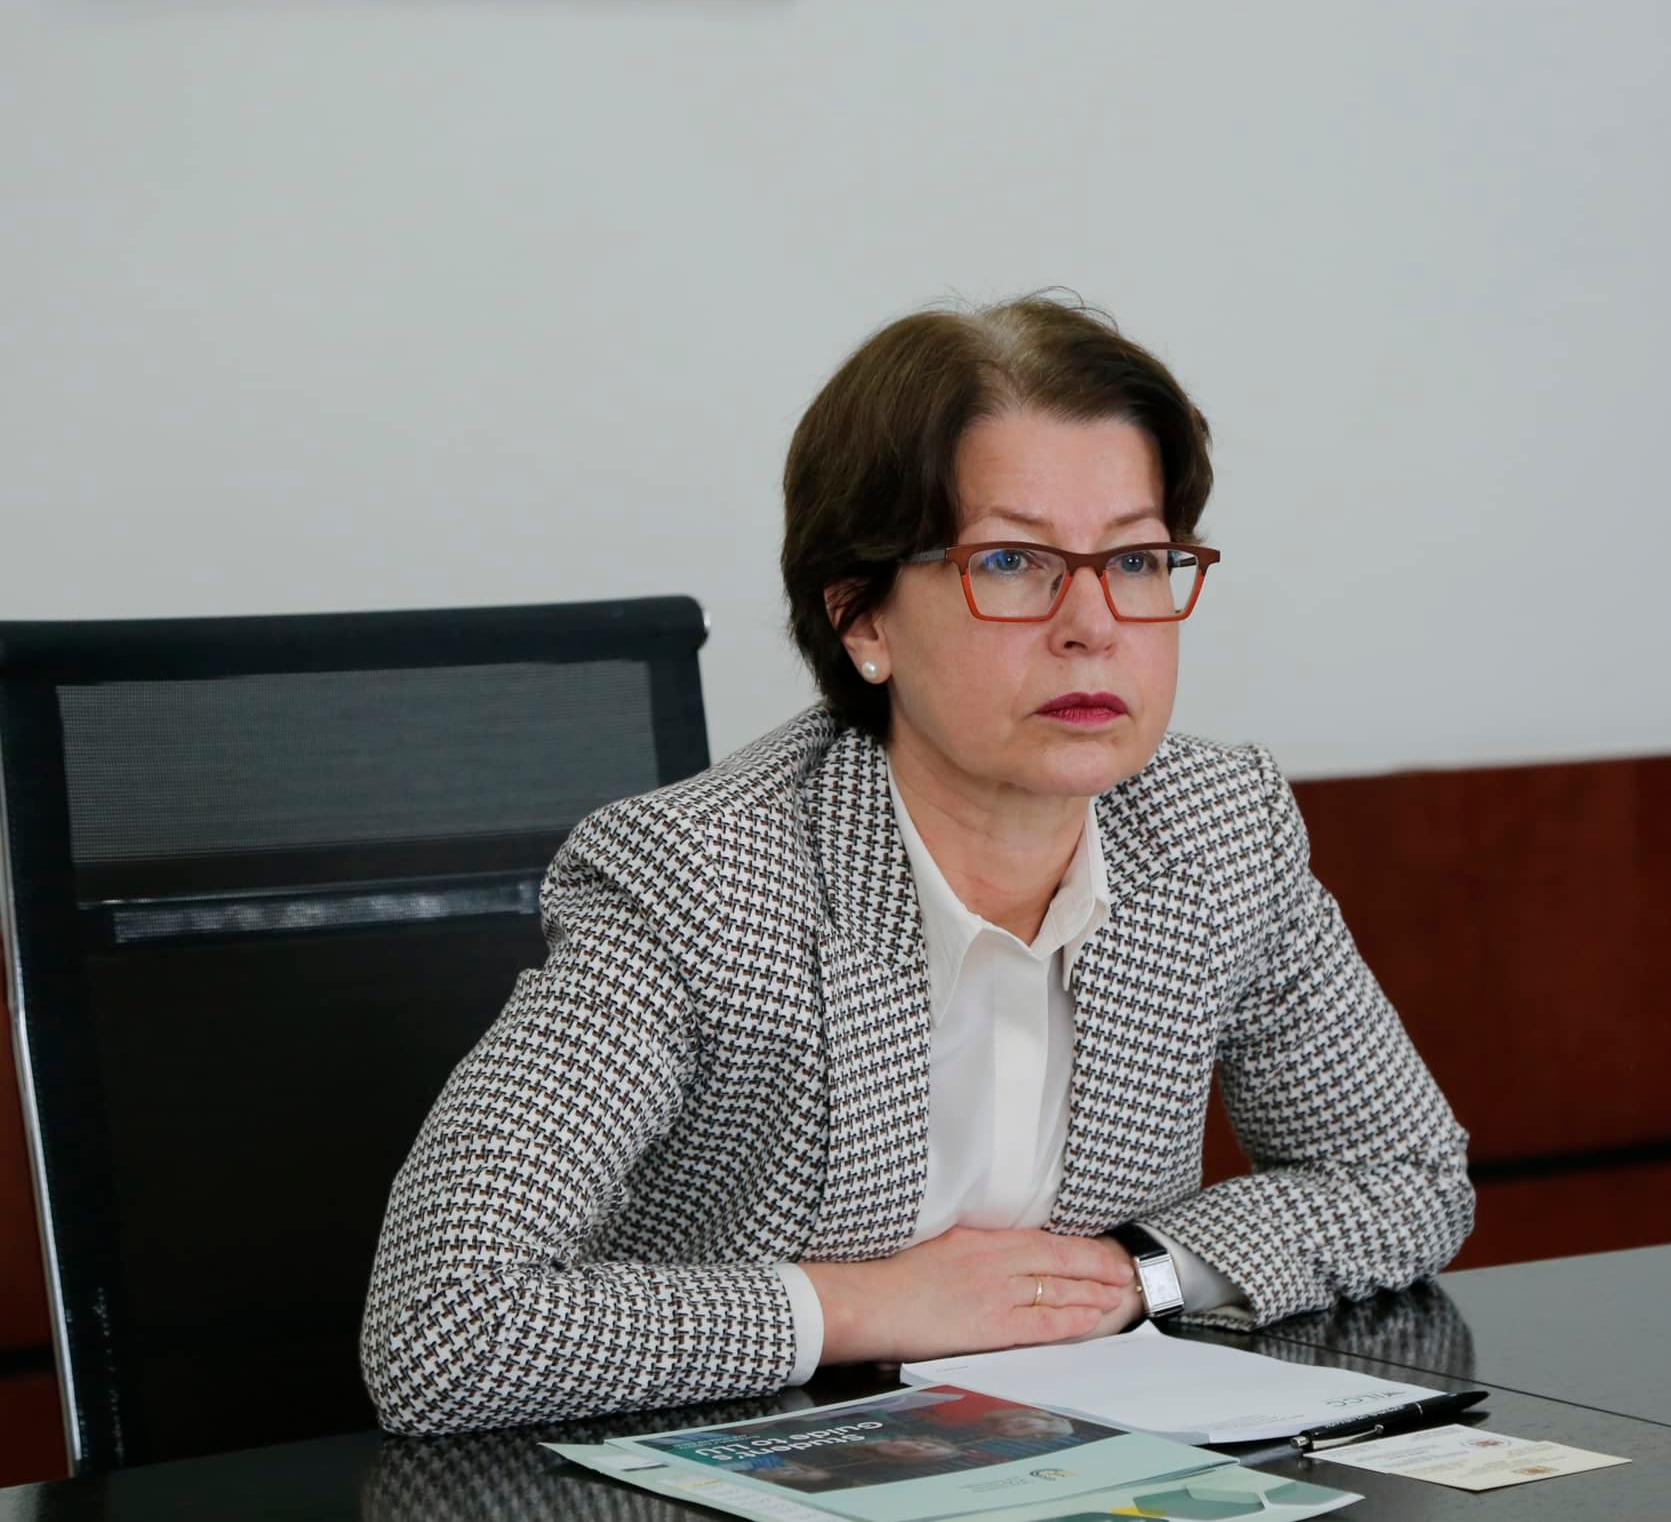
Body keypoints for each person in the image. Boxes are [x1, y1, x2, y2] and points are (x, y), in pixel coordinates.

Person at [360, 293, 1474, 1436]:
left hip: (1070, 1459)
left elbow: (1405, 1174)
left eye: (1136, 559)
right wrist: (873, 1304)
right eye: (1012, 559)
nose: (1092, 624)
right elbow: (439, 1324)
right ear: (862, 619)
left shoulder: (1212, 829)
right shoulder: (702, 881)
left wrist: (1129, 1274)